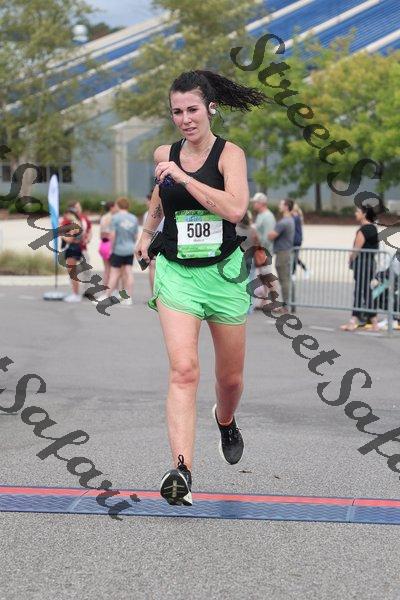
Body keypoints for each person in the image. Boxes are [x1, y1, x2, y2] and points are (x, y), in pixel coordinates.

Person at [135, 69, 267, 506]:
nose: (185, 119)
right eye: (177, 112)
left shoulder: (230, 155)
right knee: (184, 369)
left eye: (192, 109)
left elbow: (235, 209)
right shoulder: (164, 154)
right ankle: (182, 471)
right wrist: (145, 233)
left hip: (224, 275)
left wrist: (185, 177)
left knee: (230, 380)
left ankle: (225, 420)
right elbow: (159, 199)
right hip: (177, 272)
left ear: (210, 108)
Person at [340, 205, 379, 331]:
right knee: (366, 292)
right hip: (370, 263)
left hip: (362, 264)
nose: (355, 214)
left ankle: (353, 322)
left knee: (359, 292)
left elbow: (356, 249)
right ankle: (374, 322)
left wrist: (351, 258)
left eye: (357, 212)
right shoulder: (373, 228)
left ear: (364, 214)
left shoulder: (363, 230)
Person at [106, 197, 139, 306]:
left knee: (114, 273)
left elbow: (112, 235)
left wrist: (111, 248)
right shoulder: (134, 218)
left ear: (118, 205)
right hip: (130, 248)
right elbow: (135, 236)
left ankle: (107, 295)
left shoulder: (115, 218)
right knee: (129, 272)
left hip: (118, 249)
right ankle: (128, 298)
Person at [268, 198, 295, 312]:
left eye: (281, 204)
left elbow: (271, 235)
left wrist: (269, 233)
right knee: (286, 279)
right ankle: (290, 304)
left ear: (286, 206)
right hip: (286, 251)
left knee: (284, 280)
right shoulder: (290, 220)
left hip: (282, 252)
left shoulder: (284, 222)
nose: (279, 206)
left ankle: (286, 306)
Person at [60, 204, 84, 302]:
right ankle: (75, 293)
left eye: (67, 214)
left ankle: (76, 294)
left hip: (72, 248)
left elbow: (69, 239)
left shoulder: (74, 224)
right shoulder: (78, 222)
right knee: (72, 272)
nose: (66, 216)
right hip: (76, 248)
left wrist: (61, 234)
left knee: (72, 273)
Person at [142, 192, 165, 292]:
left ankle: (154, 293)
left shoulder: (147, 214)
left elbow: (146, 231)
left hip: (153, 241)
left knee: (152, 267)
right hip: (164, 240)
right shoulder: (167, 209)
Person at [98, 200, 118, 289]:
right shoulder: (114, 217)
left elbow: (101, 234)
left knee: (106, 269)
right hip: (111, 244)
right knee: (115, 270)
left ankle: (106, 291)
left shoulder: (103, 217)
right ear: (111, 207)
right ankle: (114, 290)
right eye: (115, 206)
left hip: (103, 244)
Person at [251, 192, 275, 257]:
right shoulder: (260, 215)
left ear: (261, 203)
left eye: (255, 202)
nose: (253, 204)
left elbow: (267, 238)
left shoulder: (268, 216)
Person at [291, 202, 309, 279]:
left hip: (296, 240)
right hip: (295, 239)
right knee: (294, 257)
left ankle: (293, 274)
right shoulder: (295, 217)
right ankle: (305, 270)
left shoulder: (296, 217)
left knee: (294, 258)